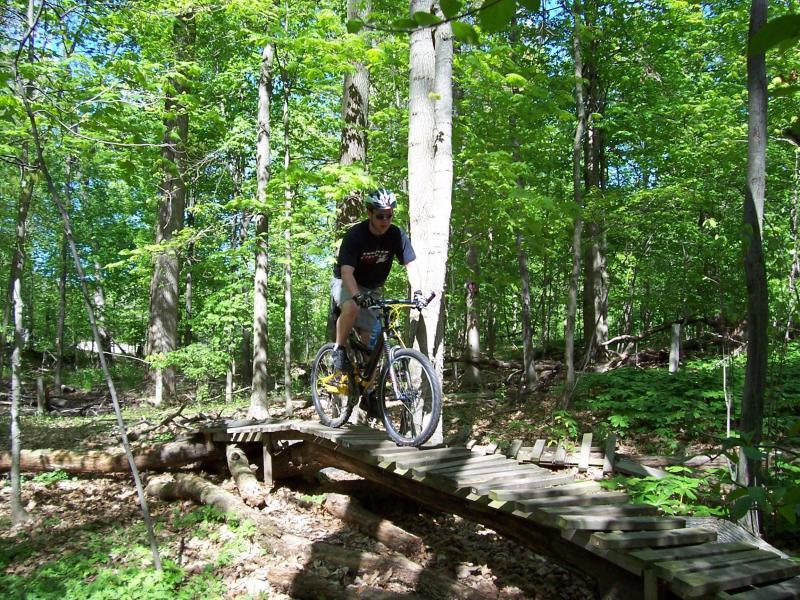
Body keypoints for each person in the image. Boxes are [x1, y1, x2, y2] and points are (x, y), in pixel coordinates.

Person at [330, 188, 422, 373]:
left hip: (373, 286)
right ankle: (338, 350)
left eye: (389, 216)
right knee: (352, 308)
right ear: (370, 213)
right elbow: (347, 272)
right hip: (347, 281)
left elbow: (411, 264)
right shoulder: (356, 235)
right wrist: (356, 296)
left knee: (368, 336)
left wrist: (418, 292)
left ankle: (366, 387)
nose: (385, 221)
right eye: (380, 216)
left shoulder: (396, 235)